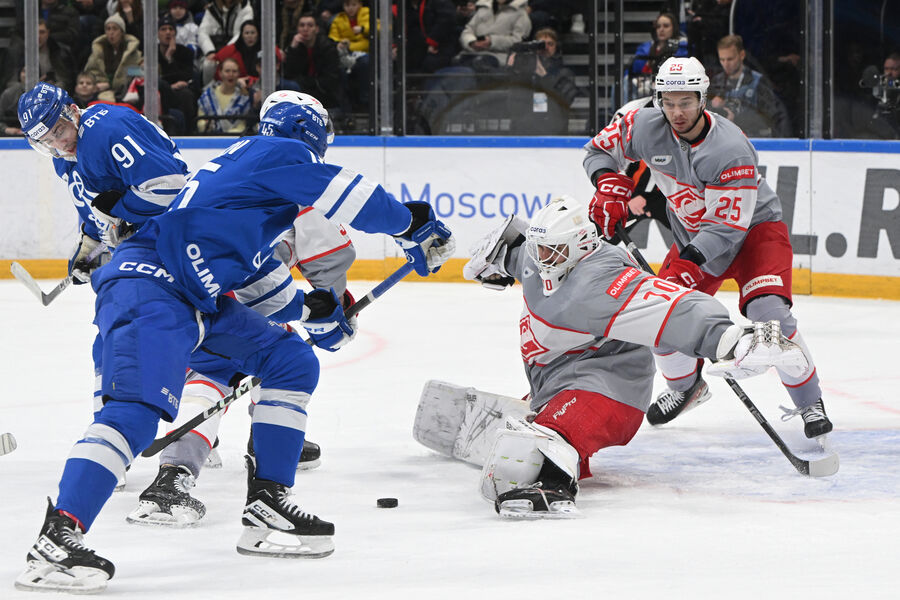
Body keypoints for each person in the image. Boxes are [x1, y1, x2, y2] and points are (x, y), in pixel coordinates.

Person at [14, 88, 455, 592]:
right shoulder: (277, 153)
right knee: (132, 413)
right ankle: (57, 538)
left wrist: (316, 311)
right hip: (150, 286)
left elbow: (259, 282)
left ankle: (267, 506)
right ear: (310, 135)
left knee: (290, 360)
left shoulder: (246, 186)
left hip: (193, 298)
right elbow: (353, 196)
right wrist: (413, 224)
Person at [449, 196, 811, 518]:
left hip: (609, 391)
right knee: (534, 421)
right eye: (538, 248)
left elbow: (674, 309)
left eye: (549, 251)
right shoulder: (542, 256)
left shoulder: (601, 284)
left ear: (580, 247)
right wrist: (498, 257)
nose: (541, 258)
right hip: (561, 374)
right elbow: (523, 253)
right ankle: (544, 416)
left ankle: (553, 479)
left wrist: (730, 340)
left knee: (547, 437)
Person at [583, 57, 833, 438]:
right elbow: (598, 151)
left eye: (685, 102)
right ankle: (687, 389)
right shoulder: (643, 125)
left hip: (753, 234)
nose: (676, 112)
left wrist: (689, 263)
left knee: (771, 315)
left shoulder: (729, 148)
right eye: (668, 102)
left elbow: (727, 228)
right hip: (691, 238)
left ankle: (808, 401)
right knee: (659, 319)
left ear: (703, 98)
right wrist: (607, 183)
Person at [708, 35, 791, 138]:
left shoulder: (758, 82)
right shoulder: (716, 82)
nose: (725, 64)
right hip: (725, 140)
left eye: (730, 59)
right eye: (722, 59)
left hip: (754, 141)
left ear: (742, 55)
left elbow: (774, 117)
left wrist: (738, 118)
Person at [505, 27, 578, 134]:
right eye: (541, 44)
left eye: (550, 44)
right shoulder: (523, 74)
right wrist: (513, 71)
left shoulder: (565, 74)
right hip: (523, 131)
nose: (546, 48)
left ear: (556, 47)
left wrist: (544, 75)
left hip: (554, 132)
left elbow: (564, 101)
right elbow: (511, 103)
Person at [283, 13, 344, 113]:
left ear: (317, 29)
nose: (305, 29)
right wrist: (293, 48)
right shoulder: (295, 46)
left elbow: (330, 79)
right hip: (301, 92)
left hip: (325, 95)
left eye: (310, 25)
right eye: (302, 25)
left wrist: (305, 82)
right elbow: (288, 74)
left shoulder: (327, 47)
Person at [456, 0, 531, 71]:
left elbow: (518, 41)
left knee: (479, 64)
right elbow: (468, 30)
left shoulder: (520, 14)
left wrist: (492, 41)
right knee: (456, 63)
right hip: (471, 52)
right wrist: (471, 42)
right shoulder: (484, 9)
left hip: (499, 56)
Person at [83, 13, 142, 102]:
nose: (111, 32)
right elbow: (90, 71)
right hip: (101, 92)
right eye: (108, 29)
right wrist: (96, 84)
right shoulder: (98, 51)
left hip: (125, 93)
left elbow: (139, 72)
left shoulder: (132, 52)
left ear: (122, 32)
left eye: (115, 29)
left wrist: (111, 84)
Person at [157, 15, 199, 135]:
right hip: (160, 91)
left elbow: (187, 75)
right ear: (158, 33)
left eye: (171, 29)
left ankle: (189, 133)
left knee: (186, 95)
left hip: (177, 94)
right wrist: (170, 85)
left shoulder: (185, 52)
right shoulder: (151, 52)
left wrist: (170, 58)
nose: (168, 32)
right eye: (163, 29)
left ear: (175, 33)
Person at [328, 0, 371, 107]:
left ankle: (365, 98)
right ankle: (346, 103)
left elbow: (379, 28)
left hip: (365, 53)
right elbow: (333, 37)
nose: (350, 8)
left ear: (360, 5)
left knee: (365, 63)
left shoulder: (368, 13)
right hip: (345, 54)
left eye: (353, 5)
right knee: (340, 70)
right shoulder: (338, 19)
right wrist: (338, 44)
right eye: (347, 5)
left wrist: (363, 29)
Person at [196, 57, 253, 133]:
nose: (231, 74)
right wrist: (206, 125)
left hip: (234, 141)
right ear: (220, 73)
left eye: (234, 71)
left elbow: (242, 126)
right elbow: (200, 122)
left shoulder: (244, 99)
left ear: (239, 74)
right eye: (227, 71)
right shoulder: (207, 96)